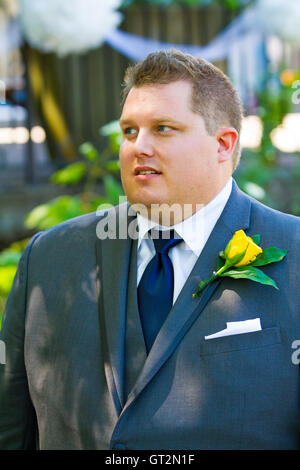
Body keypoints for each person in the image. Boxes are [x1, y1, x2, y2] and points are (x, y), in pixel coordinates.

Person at [0, 49, 300, 450]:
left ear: (223, 145)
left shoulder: (294, 253)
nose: (138, 147)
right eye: (129, 131)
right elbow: (11, 427)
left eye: (162, 129)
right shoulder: (50, 257)